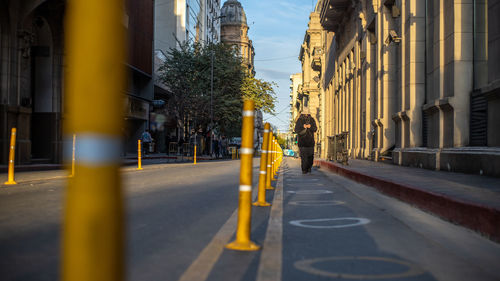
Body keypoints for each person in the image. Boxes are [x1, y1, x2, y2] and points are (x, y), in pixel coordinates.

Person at [294, 107, 317, 174]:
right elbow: (296, 130)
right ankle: (304, 170)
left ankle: (309, 167)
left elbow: (315, 129)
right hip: (302, 142)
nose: (306, 115)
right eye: (305, 114)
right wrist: (303, 126)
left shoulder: (312, 120)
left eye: (307, 114)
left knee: (310, 157)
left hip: (310, 142)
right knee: (304, 157)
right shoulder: (299, 120)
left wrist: (310, 127)